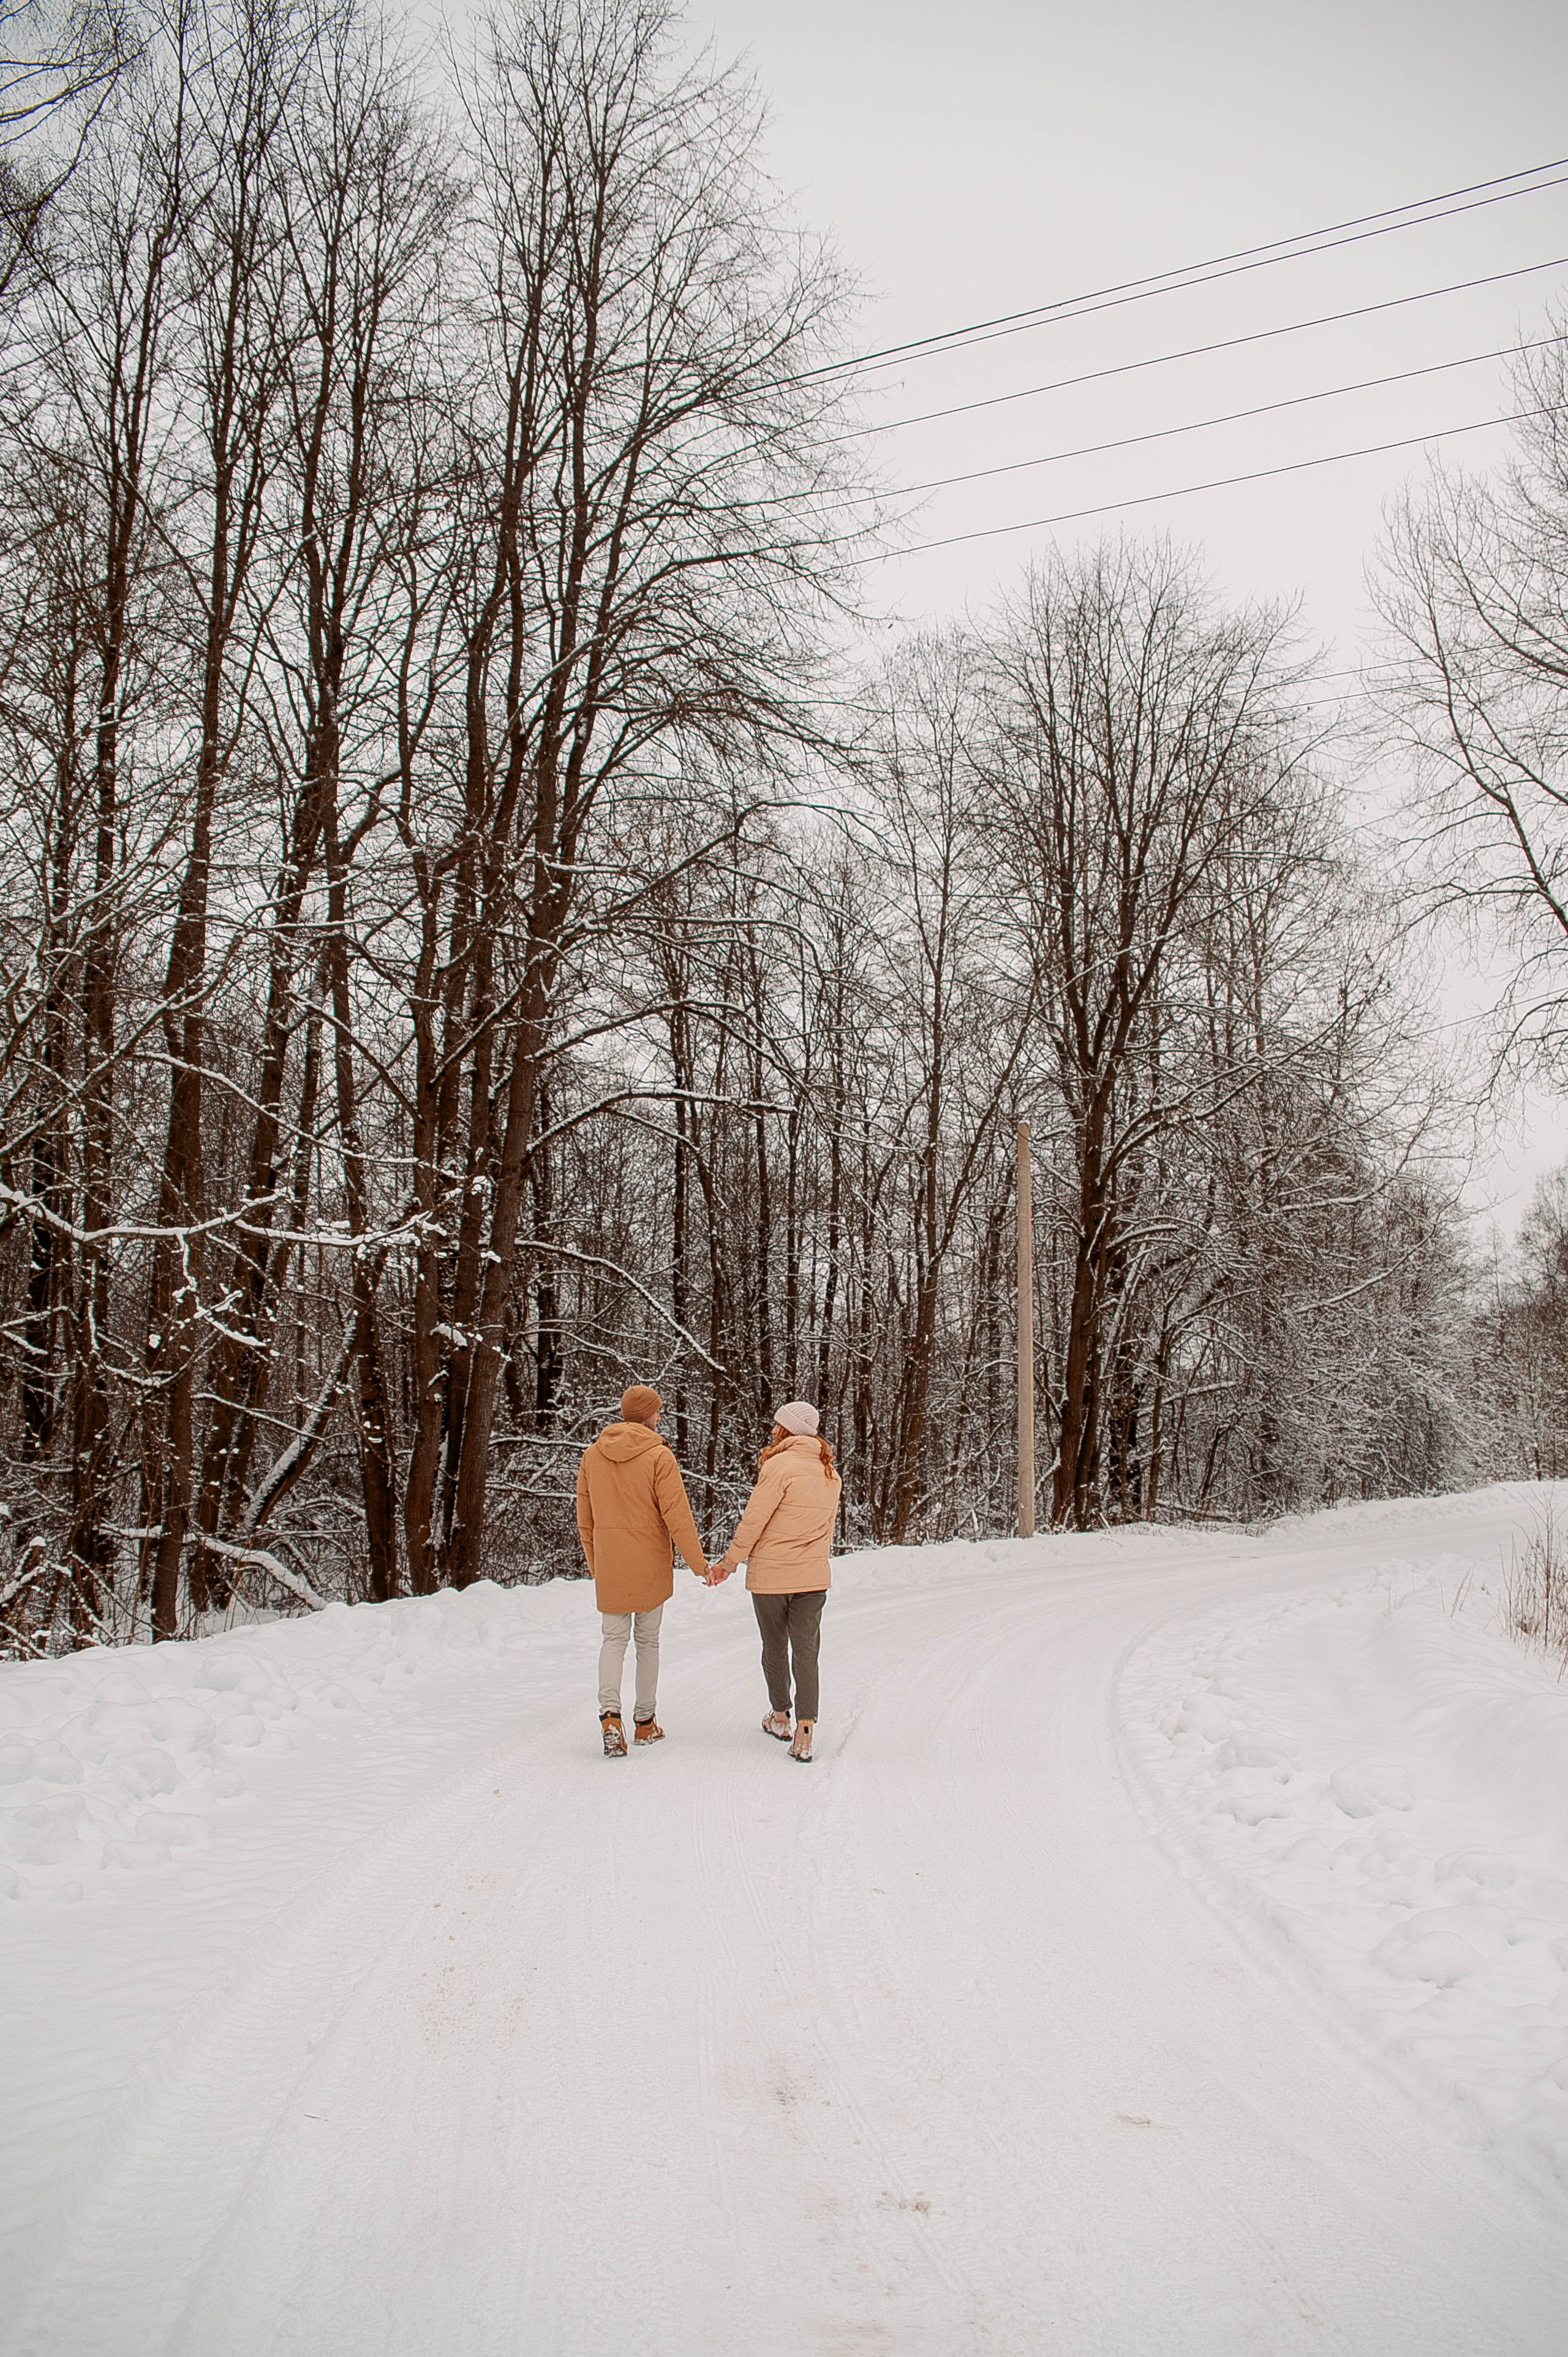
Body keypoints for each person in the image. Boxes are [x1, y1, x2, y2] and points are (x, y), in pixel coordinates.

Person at [576, 1383, 708, 1756]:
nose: (660, 1417)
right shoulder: (659, 1456)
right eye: (657, 1411)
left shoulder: (592, 1456)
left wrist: (597, 1564)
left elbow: (585, 1518)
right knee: (648, 1643)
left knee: (613, 1641)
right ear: (647, 1415)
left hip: (611, 1564)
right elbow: (678, 1517)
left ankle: (610, 1718)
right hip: (650, 1564)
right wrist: (699, 1566)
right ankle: (645, 1723)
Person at [709, 1400, 841, 1763]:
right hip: (812, 1577)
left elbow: (754, 1520)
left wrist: (729, 1563)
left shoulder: (779, 1466)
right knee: (807, 1651)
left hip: (771, 1576)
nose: (772, 1430)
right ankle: (806, 1729)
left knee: (775, 1646)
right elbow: (826, 1532)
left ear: (788, 1430)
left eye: (777, 1425)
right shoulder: (830, 1473)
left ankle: (781, 1717)